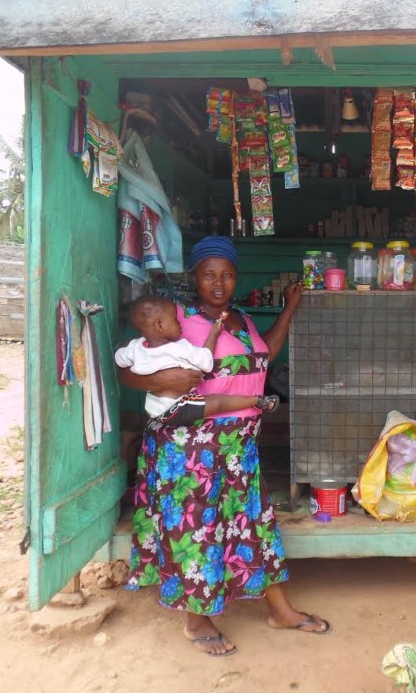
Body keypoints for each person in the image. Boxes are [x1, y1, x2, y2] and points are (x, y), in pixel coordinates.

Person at [119, 235, 329, 657]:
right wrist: (161, 380)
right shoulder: (176, 318)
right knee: (195, 530)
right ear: (194, 276)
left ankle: (279, 610)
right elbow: (129, 371)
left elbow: (264, 355)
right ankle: (196, 620)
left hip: (238, 446)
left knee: (253, 524)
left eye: (227, 274)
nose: (218, 282)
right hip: (190, 448)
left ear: (237, 278)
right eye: (209, 274)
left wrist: (289, 308)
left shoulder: (242, 319)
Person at [114, 295, 279, 428]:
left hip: (155, 409)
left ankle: (257, 400)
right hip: (179, 407)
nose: (179, 323)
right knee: (218, 403)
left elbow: (118, 360)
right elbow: (206, 362)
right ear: (159, 325)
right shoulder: (179, 348)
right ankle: (257, 400)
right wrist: (213, 334)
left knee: (216, 403)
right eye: (175, 319)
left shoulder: (135, 348)